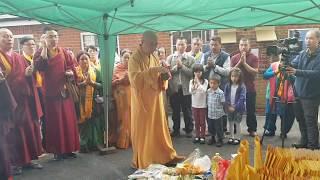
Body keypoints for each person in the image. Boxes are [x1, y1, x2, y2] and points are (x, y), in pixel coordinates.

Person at [128, 30, 184, 169]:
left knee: (159, 130)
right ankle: (145, 160)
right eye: (151, 44)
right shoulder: (134, 58)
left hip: (155, 101)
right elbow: (135, 80)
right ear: (142, 42)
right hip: (142, 104)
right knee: (145, 132)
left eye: (156, 44)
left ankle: (164, 156)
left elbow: (158, 79)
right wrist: (154, 71)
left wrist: (164, 77)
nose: (154, 47)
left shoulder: (153, 57)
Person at [0, 28, 43, 175]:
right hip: (7, 103)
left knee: (27, 130)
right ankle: (13, 163)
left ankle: (27, 160)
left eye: (11, 36)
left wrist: (28, 75)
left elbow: (27, 76)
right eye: (5, 36)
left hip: (23, 101)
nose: (9, 39)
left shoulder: (18, 57)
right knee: (12, 134)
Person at [34, 27, 80, 160]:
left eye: (55, 36)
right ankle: (57, 151)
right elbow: (39, 66)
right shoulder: (40, 53)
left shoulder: (64, 51)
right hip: (50, 93)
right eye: (50, 36)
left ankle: (69, 148)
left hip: (65, 90)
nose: (53, 39)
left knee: (68, 120)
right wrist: (43, 48)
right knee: (55, 122)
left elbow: (72, 66)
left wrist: (71, 73)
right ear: (44, 38)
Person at [287, 30, 320, 150]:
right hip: (298, 93)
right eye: (306, 38)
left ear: (318, 40)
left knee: (310, 121)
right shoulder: (302, 54)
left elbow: (317, 74)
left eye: (311, 38)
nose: (308, 41)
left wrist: (297, 72)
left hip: (311, 95)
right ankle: (304, 141)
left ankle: (313, 146)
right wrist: (285, 62)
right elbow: (293, 64)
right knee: (300, 119)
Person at [76, 51, 106, 153]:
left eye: (86, 59)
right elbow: (72, 86)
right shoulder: (75, 72)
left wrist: (92, 83)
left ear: (89, 60)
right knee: (83, 124)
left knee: (95, 124)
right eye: (82, 59)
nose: (84, 61)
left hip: (94, 101)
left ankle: (96, 144)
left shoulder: (96, 71)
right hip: (80, 103)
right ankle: (84, 145)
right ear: (78, 61)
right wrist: (82, 84)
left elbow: (102, 85)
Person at [167, 37, 195, 137]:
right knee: (175, 112)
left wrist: (182, 67)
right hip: (174, 89)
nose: (180, 46)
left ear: (186, 46)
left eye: (182, 44)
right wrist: (176, 67)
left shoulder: (191, 59)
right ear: (176, 45)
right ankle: (176, 130)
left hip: (186, 89)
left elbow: (192, 73)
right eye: (179, 44)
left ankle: (189, 130)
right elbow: (167, 73)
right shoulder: (170, 58)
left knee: (187, 110)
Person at [201, 36, 230, 133]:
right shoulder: (205, 55)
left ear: (220, 45)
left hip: (220, 87)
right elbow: (200, 69)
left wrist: (215, 66)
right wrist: (207, 66)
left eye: (216, 45)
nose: (213, 47)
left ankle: (222, 129)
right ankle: (211, 129)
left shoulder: (225, 56)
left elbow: (227, 72)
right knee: (209, 107)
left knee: (221, 108)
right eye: (212, 45)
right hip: (208, 87)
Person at [231, 38, 259, 137]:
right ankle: (234, 128)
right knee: (235, 109)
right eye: (241, 45)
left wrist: (245, 63)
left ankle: (252, 129)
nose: (243, 47)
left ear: (249, 46)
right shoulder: (234, 58)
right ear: (239, 46)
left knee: (251, 110)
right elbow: (231, 72)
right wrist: (240, 62)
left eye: (245, 45)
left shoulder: (254, 58)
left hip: (250, 88)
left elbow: (255, 71)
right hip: (236, 89)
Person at [263, 56, 295, 138]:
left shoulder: (291, 67)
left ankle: (283, 132)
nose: (282, 61)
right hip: (271, 94)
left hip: (284, 96)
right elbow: (265, 75)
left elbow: (294, 80)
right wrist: (276, 71)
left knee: (284, 114)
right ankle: (270, 130)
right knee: (270, 113)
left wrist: (289, 73)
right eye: (282, 58)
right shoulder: (274, 65)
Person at [112, 49, 131, 149]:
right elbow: (112, 83)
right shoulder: (116, 69)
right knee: (123, 118)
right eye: (125, 57)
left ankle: (131, 139)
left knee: (131, 117)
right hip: (121, 97)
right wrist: (121, 80)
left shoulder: (134, 68)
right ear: (121, 58)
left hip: (132, 96)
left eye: (129, 57)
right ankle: (122, 141)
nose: (127, 59)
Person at [224, 68, 246, 145]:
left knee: (237, 123)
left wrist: (235, 107)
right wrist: (229, 106)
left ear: (239, 77)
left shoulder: (242, 86)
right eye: (232, 76)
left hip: (238, 108)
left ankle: (237, 137)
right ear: (230, 76)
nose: (234, 78)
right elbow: (226, 96)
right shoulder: (227, 85)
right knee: (230, 122)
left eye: (236, 76)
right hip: (229, 108)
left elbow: (242, 98)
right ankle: (231, 137)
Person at [189, 64, 208, 144]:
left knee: (202, 122)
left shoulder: (205, 81)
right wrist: (194, 86)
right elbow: (191, 92)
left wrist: (198, 83)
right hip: (194, 105)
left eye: (199, 72)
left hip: (202, 105)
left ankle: (202, 136)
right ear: (193, 73)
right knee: (196, 122)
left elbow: (204, 91)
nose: (198, 73)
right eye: (196, 72)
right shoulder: (191, 81)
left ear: (202, 72)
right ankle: (197, 135)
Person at [207, 74, 225, 147]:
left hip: (218, 114)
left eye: (214, 83)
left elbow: (223, 102)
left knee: (219, 127)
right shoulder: (208, 91)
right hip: (210, 113)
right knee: (211, 127)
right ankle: (212, 137)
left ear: (219, 83)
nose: (212, 85)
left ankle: (220, 139)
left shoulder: (220, 93)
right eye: (211, 83)